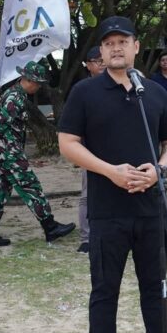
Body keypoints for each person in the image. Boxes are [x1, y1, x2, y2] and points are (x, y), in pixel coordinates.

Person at [58, 16, 167, 333]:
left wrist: (158, 170)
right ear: (100, 51)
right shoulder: (85, 93)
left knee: (155, 286)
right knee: (104, 290)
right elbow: (68, 143)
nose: (116, 47)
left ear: (135, 46)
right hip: (106, 209)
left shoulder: (155, 93)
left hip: (150, 210)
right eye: (109, 42)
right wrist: (110, 171)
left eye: (123, 41)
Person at [0, 61, 75, 246]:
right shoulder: (15, 97)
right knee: (30, 186)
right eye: (37, 83)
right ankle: (50, 226)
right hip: (9, 151)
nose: (38, 87)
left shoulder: (14, 94)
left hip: (4, 151)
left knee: (0, 189)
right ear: (28, 80)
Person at [76, 47, 105, 254]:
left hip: (117, 146)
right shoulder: (82, 89)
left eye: (103, 60)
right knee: (88, 193)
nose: (102, 64)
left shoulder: (122, 84)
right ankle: (87, 237)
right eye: (97, 61)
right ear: (87, 65)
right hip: (90, 149)